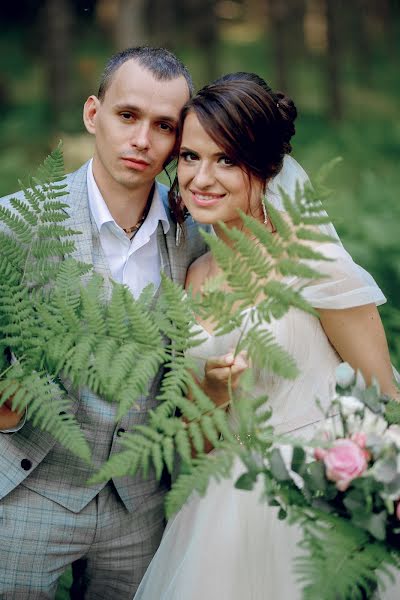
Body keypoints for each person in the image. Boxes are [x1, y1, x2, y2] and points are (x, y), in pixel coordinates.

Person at [133, 75, 400, 599]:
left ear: (267, 167)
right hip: (217, 513)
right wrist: (210, 393)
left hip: (317, 505)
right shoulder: (193, 275)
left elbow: (386, 399)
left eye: (226, 160)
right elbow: (201, 441)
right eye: (189, 157)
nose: (201, 177)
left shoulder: (313, 264)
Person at [0, 46, 211, 599]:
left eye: (164, 125)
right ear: (93, 114)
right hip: (29, 490)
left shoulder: (193, 239)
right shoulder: (16, 226)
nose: (143, 140)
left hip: (140, 508)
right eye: (128, 116)